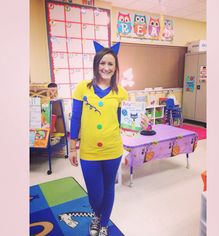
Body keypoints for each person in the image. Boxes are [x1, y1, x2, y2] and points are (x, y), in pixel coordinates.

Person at [69, 41, 148, 236]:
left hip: (112, 149)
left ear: (115, 67)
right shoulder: (82, 88)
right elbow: (76, 118)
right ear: (96, 65)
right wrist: (72, 148)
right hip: (88, 151)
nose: (106, 67)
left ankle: (103, 223)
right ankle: (97, 214)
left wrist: (142, 123)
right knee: (95, 193)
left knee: (108, 189)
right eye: (102, 63)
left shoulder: (120, 92)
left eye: (110, 64)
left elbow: (126, 121)